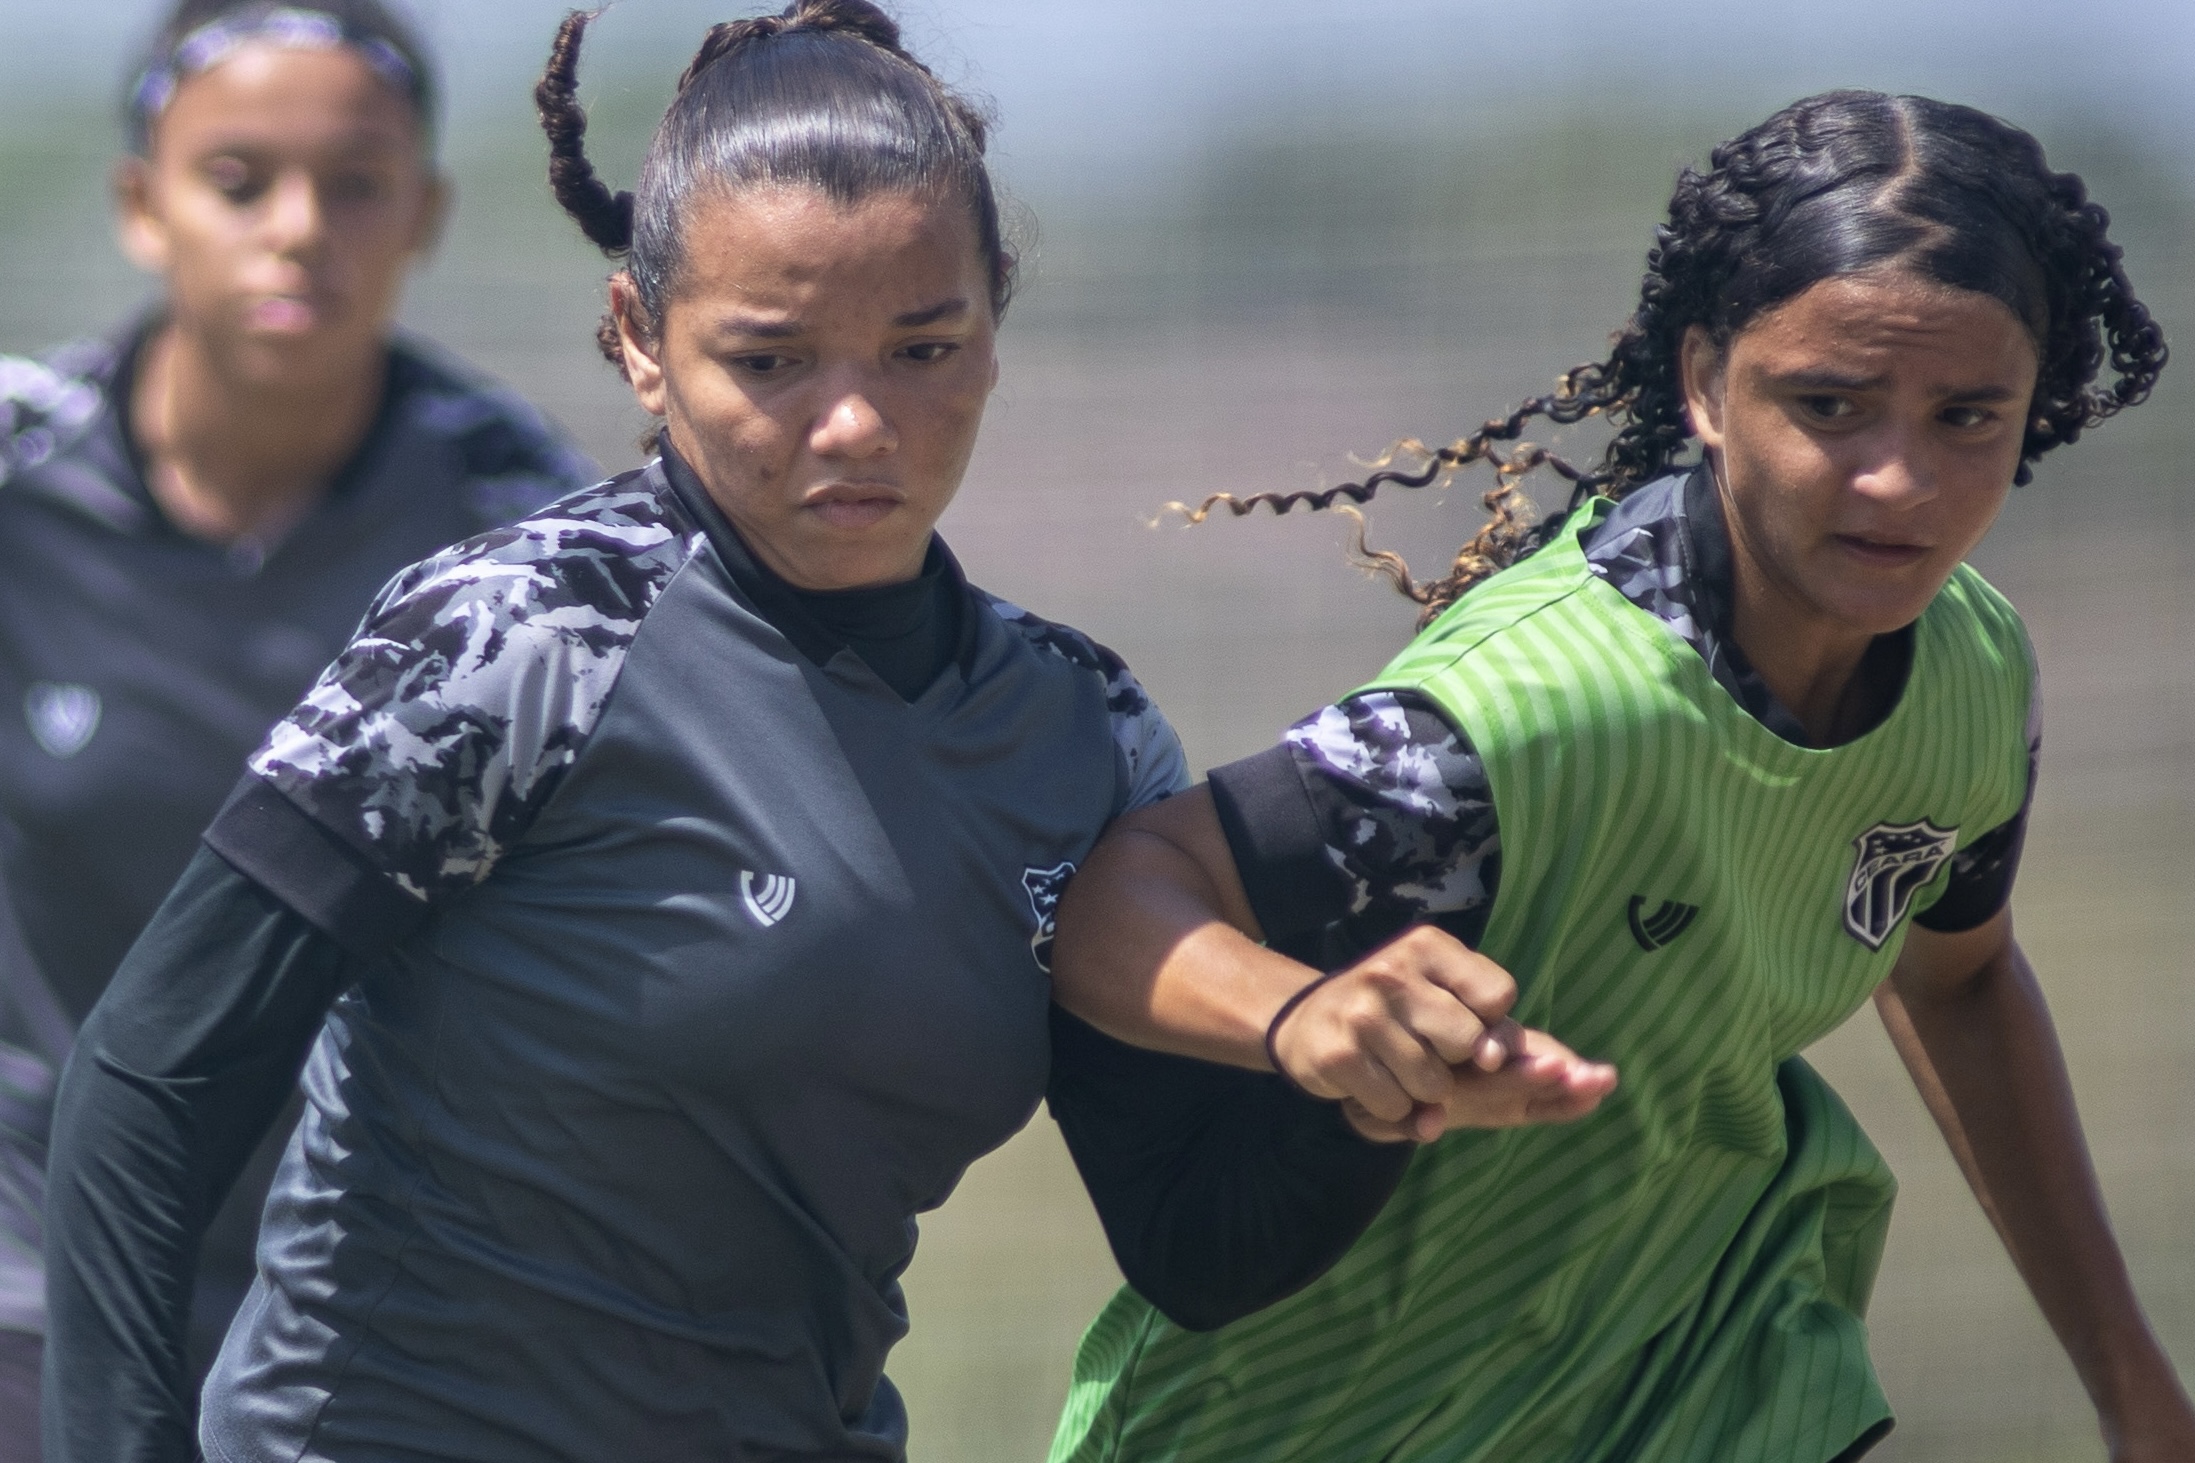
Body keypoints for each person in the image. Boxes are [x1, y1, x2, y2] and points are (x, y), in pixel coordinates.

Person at [32, 3, 1258, 1459]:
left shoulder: (1082, 733)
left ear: (995, 318)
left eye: (922, 348)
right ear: (638, 340)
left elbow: (1202, 1240)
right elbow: (153, 1071)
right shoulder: (520, 631)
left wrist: (1377, 1039)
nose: (857, 422)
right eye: (774, 359)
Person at [1043, 91, 2195, 1463]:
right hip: (1310, 1422)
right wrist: (1308, 1018)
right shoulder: (1526, 715)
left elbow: (1959, 977)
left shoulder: (1972, 673)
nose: (1902, 481)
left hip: (1706, 1382)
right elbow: (1119, 895)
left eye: (1968, 417)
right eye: (1829, 406)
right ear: (1707, 385)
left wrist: (2134, 1385)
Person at [0, 0, 593, 1453]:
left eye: (356, 182)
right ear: (144, 206)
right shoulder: (19, 481)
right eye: (240, 179)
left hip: (371, 1305)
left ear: (427, 214)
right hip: (31, 1284)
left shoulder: (526, 527)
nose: (300, 228)